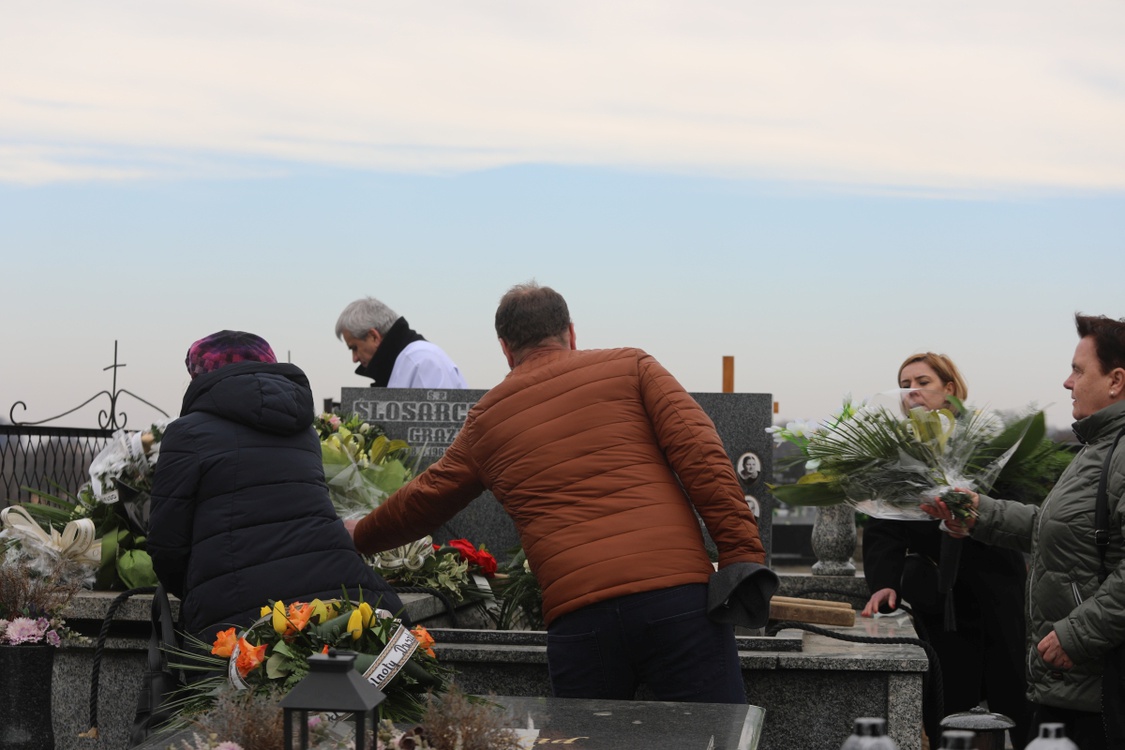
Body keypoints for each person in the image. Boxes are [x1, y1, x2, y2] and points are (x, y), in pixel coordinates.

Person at [346, 282, 769, 703]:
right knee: (715, 732)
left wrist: (358, 535)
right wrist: (741, 557)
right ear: (570, 332)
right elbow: (701, 456)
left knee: (587, 735)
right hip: (677, 601)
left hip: (580, 618)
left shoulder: (486, 420)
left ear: (506, 349)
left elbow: (425, 498)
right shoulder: (633, 367)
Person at [926, 314, 1125, 750]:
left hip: (1104, 697)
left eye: (1078, 371)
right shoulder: (1098, 448)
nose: (1067, 382)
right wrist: (980, 513)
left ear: (1116, 381)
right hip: (1073, 687)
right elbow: (1056, 531)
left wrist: (1076, 634)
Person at [147, 330, 403, 650]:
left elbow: (166, 543)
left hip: (237, 610)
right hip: (340, 588)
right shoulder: (303, 431)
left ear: (199, 376)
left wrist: (199, 586)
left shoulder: (187, 433)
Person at [861, 352, 1031, 749]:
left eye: (922, 382)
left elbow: (1018, 506)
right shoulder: (898, 453)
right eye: (904, 385)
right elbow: (884, 526)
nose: (912, 392)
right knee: (949, 703)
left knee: (1012, 696)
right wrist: (884, 583)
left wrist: (969, 514)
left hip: (995, 589)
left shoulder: (986, 440)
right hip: (941, 600)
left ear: (949, 388)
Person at [335, 296, 467, 388]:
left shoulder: (421, 362)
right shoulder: (411, 360)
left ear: (374, 337)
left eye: (354, 348)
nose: (354, 358)